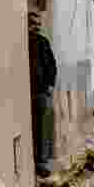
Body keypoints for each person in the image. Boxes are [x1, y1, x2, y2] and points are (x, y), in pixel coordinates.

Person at [28, 12, 57, 177]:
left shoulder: (43, 42)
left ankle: (41, 162)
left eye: (38, 24)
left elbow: (52, 66)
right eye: (33, 23)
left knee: (42, 127)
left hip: (41, 92)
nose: (36, 27)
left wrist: (50, 86)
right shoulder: (23, 42)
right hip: (26, 92)